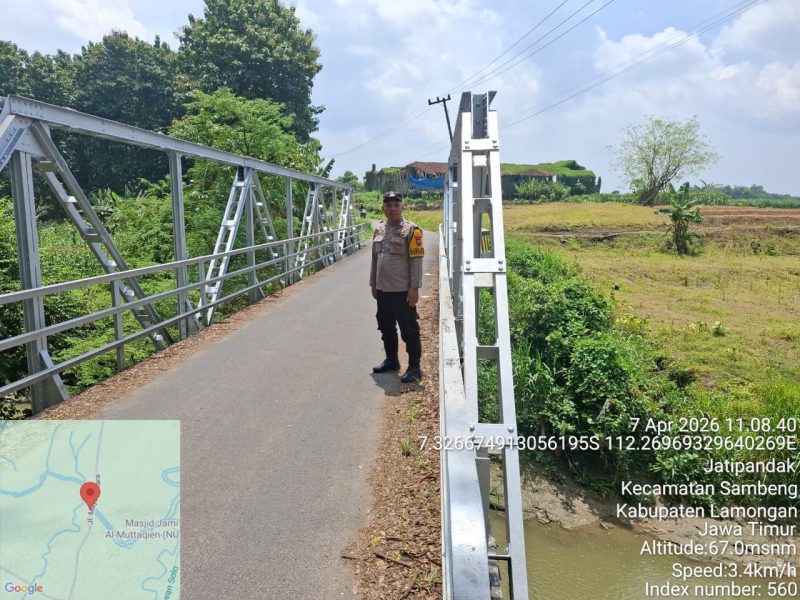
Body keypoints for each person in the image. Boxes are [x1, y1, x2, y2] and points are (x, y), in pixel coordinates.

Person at [369, 191, 424, 383]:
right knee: (385, 326)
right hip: (383, 289)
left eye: (396, 205)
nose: (392, 209)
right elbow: (375, 259)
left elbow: (417, 261)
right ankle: (392, 360)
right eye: (388, 205)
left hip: (402, 290)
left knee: (409, 329)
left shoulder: (412, 230)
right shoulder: (379, 230)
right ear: (383, 208)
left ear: (402, 207)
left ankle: (415, 367)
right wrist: (373, 284)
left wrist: (414, 287)